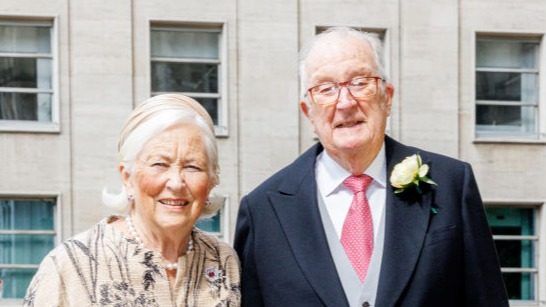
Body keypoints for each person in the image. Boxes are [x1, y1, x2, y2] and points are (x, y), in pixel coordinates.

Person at [234, 27, 508, 307]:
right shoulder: (262, 212)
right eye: (326, 89)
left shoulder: (452, 185)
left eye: (360, 82)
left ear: (387, 97)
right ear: (308, 112)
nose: (345, 103)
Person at [24, 94, 241, 306]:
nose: (176, 183)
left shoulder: (223, 260)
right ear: (127, 176)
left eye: (193, 167)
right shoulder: (71, 264)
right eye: (160, 164)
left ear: (212, 180)